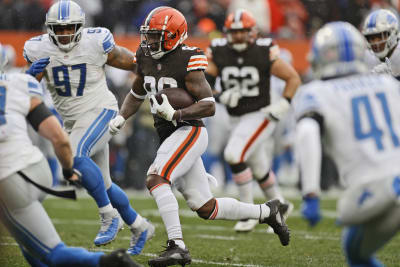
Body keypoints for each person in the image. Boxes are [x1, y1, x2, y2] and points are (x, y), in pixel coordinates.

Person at [108, 6, 290, 267]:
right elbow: (137, 93)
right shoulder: (145, 56)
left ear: (174, 36)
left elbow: (209, 105)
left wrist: (176, 113)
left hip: (189, 130)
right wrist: (121, 117)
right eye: (147, 35)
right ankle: (267, 212)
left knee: (156, 178)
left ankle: (177, 246)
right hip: (171, 132)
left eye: (155, 36)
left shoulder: (188, 59)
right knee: (205, 206)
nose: (148, 41)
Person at [23, 0, 154, 254]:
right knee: (102, 184)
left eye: (69, 27)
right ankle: (140, 226)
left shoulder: (96, 42)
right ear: (49, 29)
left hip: (100, 110)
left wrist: (155, 76)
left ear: (80, 26)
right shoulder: (37, 48)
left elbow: (134, 64)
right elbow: (29, 88)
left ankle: (108, 215)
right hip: (73, 121)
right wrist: (29, 78)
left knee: (74, 157)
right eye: (58, 29)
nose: (64, 34)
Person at [0, 43, 140, 267]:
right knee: (28, 238)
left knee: (52, 252)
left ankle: (111, 262)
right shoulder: (19, 84)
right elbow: (58, 138)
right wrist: (67, 169)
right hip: (37, 169)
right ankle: (126, 220)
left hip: (9, 180)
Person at [294, 21, 400, 267]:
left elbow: (308, 133)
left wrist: (310, 193)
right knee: (357, 252)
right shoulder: (389, 84)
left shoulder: (316, 92)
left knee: (352, 239)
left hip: (376, 188)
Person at [205, 9, 300, 232]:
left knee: (233, 154)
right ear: (227, 32)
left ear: (252, 32)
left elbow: (292, 78)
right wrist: (219, 95)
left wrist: (284, 103)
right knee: (258, 168)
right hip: (235, 117)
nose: (238, 36)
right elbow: (204, 82)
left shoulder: (263, 50)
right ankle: (281, 204)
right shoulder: (219, 51)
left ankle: (247, 212)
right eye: (234, 32)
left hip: (260, 114)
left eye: (242, 32)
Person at [362, 9, 400, 78]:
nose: (375, 43)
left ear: (393, 33)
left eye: (380, 37)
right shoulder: (367, 57)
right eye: (371, 38)